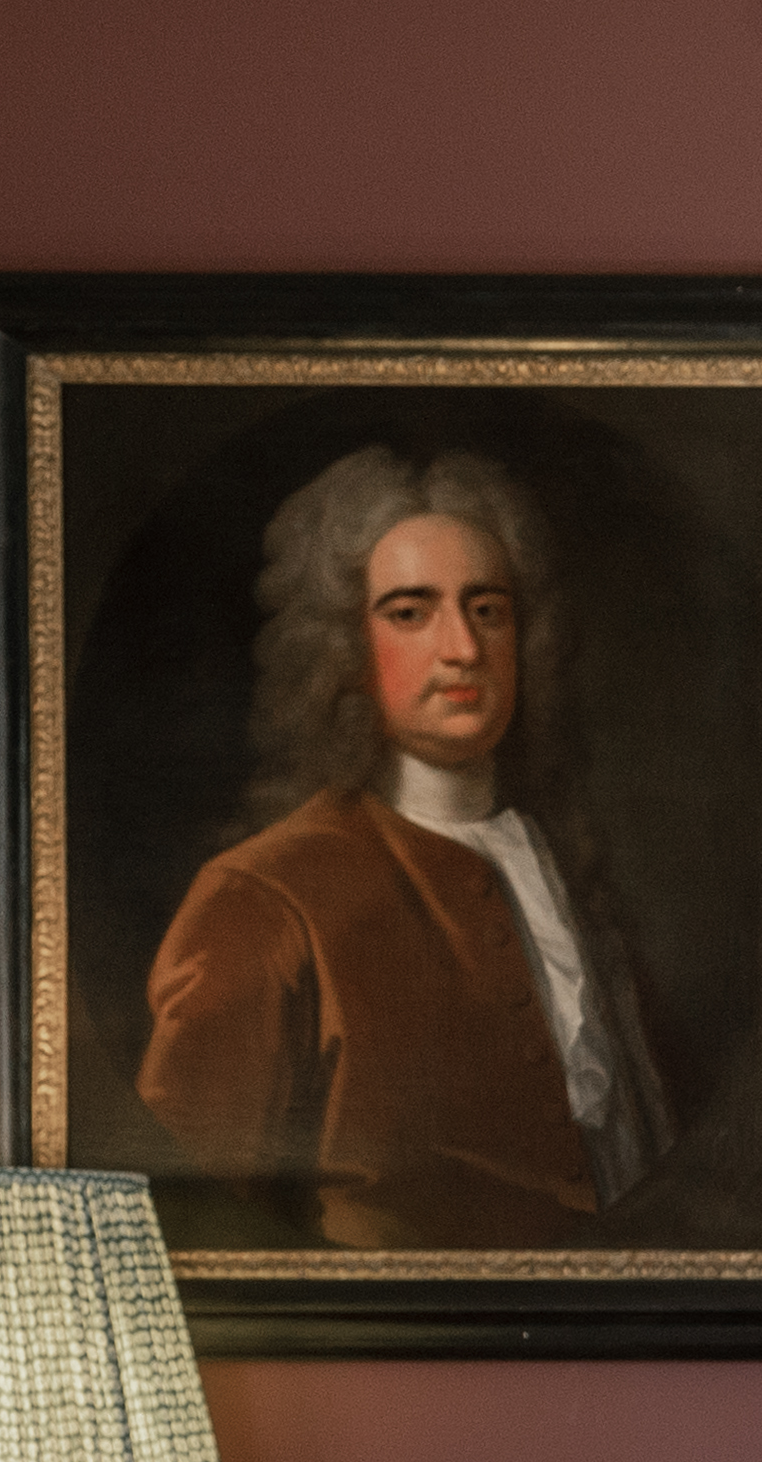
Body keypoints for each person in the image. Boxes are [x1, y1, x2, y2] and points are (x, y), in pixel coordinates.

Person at [135, 447, 680, 1248]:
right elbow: (195, 1224)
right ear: (345, 650)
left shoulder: (560, 865)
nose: (462, 648)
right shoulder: (260, 896)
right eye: (410, 612)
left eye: (487, 609)